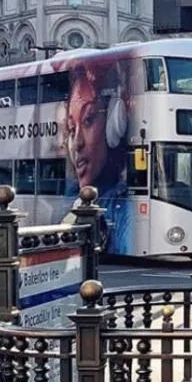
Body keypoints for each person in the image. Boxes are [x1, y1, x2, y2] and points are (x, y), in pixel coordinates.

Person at [63, 58, 132, 253]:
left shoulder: (123, 209)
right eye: (71, 129)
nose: (77, 143)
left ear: (114, 123)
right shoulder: (71, 193)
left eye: (88, 120)